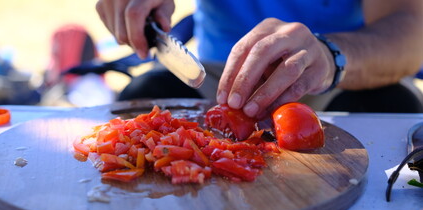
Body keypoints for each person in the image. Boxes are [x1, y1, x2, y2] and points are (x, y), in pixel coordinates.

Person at [95, 0, 423, 118]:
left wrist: (328, 54)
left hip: (345, 73)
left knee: (397, 110)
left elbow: (411, 33)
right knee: (141, 104)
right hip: (216, 77)